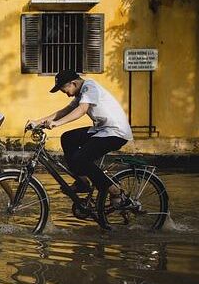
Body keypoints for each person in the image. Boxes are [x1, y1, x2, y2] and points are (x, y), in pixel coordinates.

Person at [26, 69, 133, 206]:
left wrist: (57, 123)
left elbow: (81, 110)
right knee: (68, 138)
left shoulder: (90, 87)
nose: (66, 94)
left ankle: (115, 191)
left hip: (115, 132)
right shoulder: (82, 93)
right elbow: (64, 111)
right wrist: (37, 122)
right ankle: (82, 181)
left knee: (81, 158)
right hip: (102, 130)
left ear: (73, 83)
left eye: (64, 90)